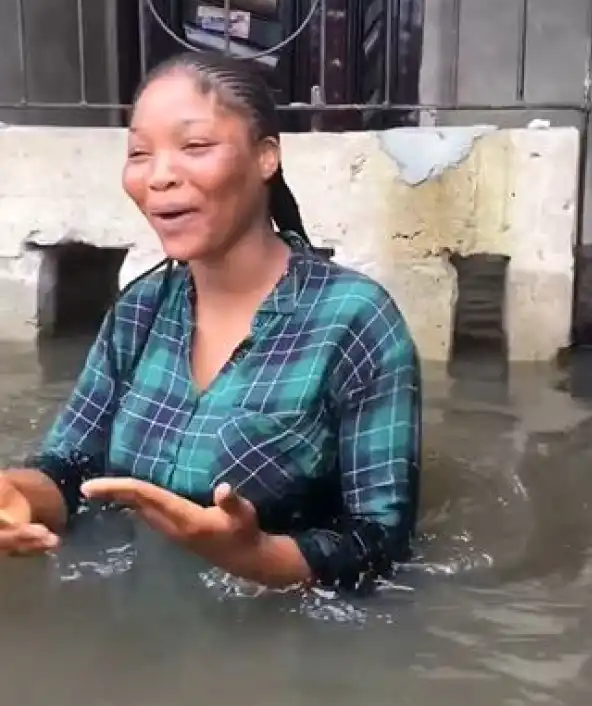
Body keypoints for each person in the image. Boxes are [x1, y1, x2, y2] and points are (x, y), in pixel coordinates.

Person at [0, 51, 421, 591]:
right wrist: (17, 493)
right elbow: (71, 470)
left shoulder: (356, 321)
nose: (160, 177)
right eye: (139, 153)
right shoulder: (139, 311)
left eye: (195, 146)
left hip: (278, 647)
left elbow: (381, 541)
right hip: (136, 628)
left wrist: (257, 556)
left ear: (266, 157)